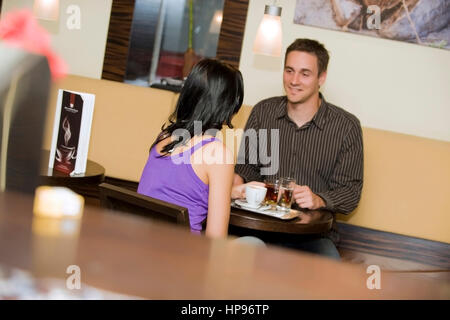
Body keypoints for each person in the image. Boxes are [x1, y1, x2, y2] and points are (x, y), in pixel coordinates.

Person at [233, 39, 364, 259]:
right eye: (289, 71)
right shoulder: (263, 111)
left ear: (321, 78)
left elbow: (350, 193)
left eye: (305, 73)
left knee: (327, 270)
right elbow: (245, 169)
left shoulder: (346, 127)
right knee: (238, 257)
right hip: (260, 226)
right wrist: (232, 188)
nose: (294, 81)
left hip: (312, 237)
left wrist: (318, 199)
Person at [137, 58, 261, 239]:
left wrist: (231, 192)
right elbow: (215, 240)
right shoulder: (217, 154)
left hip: (141, 247)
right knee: (253, 243)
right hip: (183, 259)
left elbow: (179, 189)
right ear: (229, 105)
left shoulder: (163, 138)